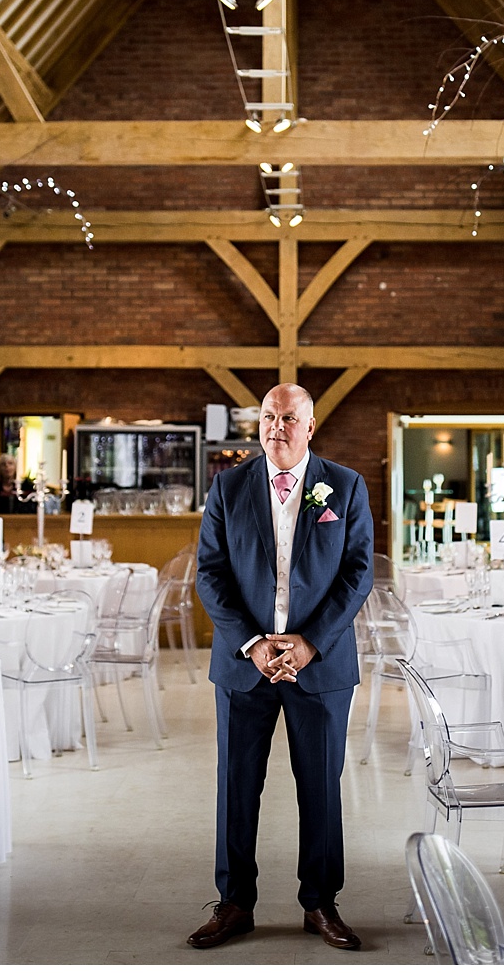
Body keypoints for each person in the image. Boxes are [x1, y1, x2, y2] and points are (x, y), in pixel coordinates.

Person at [187, 383, 372, 952]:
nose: (277, 427)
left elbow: (358, 572)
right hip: (246, 666)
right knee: (237, 786)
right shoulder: (228, 485)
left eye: (289, 418)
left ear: (310, 427)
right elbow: (210, 573)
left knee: (320, 786)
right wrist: (252, 643)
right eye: (269, 417)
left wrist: (310, 643)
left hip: (320, 666)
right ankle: (235, 903)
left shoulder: (344, 485)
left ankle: (320, 902)